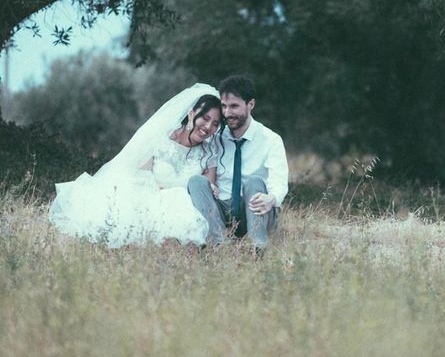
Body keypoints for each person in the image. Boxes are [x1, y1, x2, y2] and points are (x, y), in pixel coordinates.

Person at [49, 83, 222, 248]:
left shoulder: (209, 152)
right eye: (205, 118)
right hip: (149, 200)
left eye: (215, 123)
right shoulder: (162, 139)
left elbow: (207, 191)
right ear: (191, 114)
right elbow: (140, 178)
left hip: (186, 210)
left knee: (180, 203)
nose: (208, 127)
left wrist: (212, 188)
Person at [188, 75, 288, 252]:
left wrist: (271, 198)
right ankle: (217, 245)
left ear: (251, 105)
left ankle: (258, 247)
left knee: (255, 181)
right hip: (221, 209)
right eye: (224, 106)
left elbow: (279, 181)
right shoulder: (215, 139)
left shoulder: (270, 140)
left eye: (234, 106)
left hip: (255, 208)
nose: (227, 113)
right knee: (195, 181)